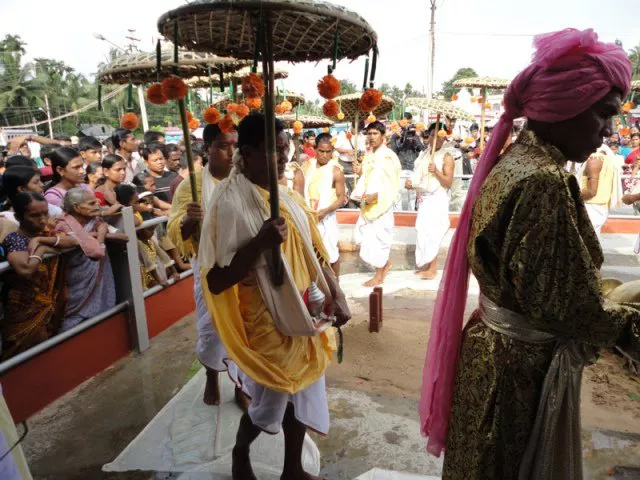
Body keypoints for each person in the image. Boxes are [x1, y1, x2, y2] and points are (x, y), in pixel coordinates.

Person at [418, 29, 640, 480]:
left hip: (491, 348)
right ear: (566, 106)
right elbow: (565, 306)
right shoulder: (544, 180)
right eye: (603, 114)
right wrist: (628, 327)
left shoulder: (515, 161)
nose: (609, 131)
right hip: (517, 368)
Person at [198, 113, 349, 480]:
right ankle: (240, 451)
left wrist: (336, 293)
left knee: (305, 390)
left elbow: (316, 254)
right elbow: (217, 281)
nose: (283, 159)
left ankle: (292, 469)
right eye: (274, 152)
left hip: (308, 309)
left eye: (286, 150)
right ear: (246, 154)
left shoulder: (290, 197)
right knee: (273, 399)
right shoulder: (229, 203)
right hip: (267, 317)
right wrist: (259, 244)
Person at [168, 122, 249, 408]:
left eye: (234, 145)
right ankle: (212, 376)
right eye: (223, 145)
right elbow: (175, 230)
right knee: (211, 329)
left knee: (245, 327)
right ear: (208, 149)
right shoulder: (191, 187)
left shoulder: (246, 179)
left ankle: (241, 385)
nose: (230, 152)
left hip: (242, 264)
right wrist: (190, 220)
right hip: (207, 268)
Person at [2, 192, 76, 359]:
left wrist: (42, 243)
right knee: (21, 358)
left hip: (52, 306)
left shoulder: (47, 234)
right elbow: (26, 270)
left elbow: (76, 241)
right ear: (18, 216)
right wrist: (42, 250)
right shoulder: (16, 239)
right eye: (34, 215)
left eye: (45, 213)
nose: (42, 219)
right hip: (25, 310)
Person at [55, 188, 126, 333]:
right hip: (75, 281)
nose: (97, 205)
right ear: (76, 207)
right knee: (70, 321)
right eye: (92, 203)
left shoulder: (96, 221)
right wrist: (99, 233)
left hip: (98, 279)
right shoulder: (63, 224)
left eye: (97, 202)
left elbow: (124, 237)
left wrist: (96, 234)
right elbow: (87, 245)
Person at [351, 121, 401, 287]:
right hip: (367, 202)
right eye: (369, 134)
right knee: (365, 238)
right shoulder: (369, 154)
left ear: (383, 136)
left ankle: (379, 274)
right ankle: (384, 265)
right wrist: (359, 170)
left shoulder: (389, 157)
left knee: (380, 238)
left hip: (382, 204)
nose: (371, 137)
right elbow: (367, 176)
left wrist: (378, 196)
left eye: (375, 134)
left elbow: (393, 184)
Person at [406, 123, 453, 280]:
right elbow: (418, 176)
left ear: (444, 138)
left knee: (433, 233)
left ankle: (432, 268)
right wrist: (411, 184)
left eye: (439, 136)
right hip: (424, 199)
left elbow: (448, 182)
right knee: (423, 232)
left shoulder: (447, 157)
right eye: (432, 135)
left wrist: (436, 171)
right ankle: (426, 264)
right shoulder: (424, 154)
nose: (435, 139)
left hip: (436, 199)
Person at [305, 133, 347, 277]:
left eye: (328, 151)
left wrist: (326, 211)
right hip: (309, 215)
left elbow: (341, 198)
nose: (325, 155)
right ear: (315, 149)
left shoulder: (336, 171)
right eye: (321, 151)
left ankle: (336, 285)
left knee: (331, 252)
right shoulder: (307, 166)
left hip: (326, 217)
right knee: (311, 252)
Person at [582, 148, 618, 239]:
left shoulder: (595, 158)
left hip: (591, 205)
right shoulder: (607, 157)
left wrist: (570, 194)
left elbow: (591, 192)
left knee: (587, 240)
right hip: (598, 205)